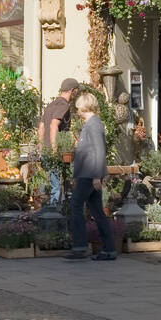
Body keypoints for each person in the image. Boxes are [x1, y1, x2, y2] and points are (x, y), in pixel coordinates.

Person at [64, 90, 117, 261]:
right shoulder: (91, 123)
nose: (77, 111)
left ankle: (79, 247)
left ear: (85, 107)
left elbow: (99, 151)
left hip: (89, 174)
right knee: (97, 211)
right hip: (87, 174)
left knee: (75, 206)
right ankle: (109, 250)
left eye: (79, 108)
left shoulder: (94, 124)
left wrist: (96, 176)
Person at [38, 77, 79, 207]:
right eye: (76, 92)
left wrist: (41, 147)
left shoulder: (51, 105)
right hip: (55, 151)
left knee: (47, 184)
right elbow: (53, 125)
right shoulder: (64, 105)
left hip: (45, 150)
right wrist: (55, 149)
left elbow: (41, 127)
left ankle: (45, 212)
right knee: (56, 186)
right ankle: (53, 216)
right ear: (72, 91)